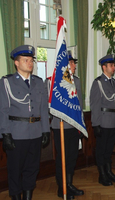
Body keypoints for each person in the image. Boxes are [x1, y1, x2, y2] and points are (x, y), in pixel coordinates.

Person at [0, 45, 50, 200]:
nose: (30, 63)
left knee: (32, 169)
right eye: (26, 60)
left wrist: (45, 130)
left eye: (31, 60)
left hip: (35, 132)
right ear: (16, 63)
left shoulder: (38, 82)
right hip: (16, 134)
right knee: (15, 170)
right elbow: (3, 110)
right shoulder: (7, 82)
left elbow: (43, 109)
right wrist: (5, 133)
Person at [45, 51, 84, 199]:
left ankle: (69, 184)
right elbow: (47, 106)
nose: (74, 65)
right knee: (62, 158)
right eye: (72, 63)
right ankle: (62, 188)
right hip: (60, 125)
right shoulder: (52, 81)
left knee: (72, 157)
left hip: (74, 126)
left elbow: (79, 104)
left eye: (74, 62)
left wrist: (80, 124)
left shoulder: (77, 81)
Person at [90, 54, 115, 186]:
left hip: (113, 120)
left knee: (109, 150)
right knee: (101, 150)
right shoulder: (98, 83)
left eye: (114, 65)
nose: (113, 67)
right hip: (103, 121)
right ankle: (102, 174)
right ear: (104, 67)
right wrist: (95, 124)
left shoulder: (113, 82)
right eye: (111, 65)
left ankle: (109, 172)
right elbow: (95, 105)